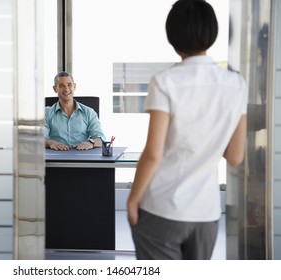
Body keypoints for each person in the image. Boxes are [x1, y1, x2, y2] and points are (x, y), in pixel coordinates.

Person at [127, 0, 247, 260]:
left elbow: (154, 153)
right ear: (211, 34)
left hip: (162, 209)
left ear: (172, 36)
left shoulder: (165, 81)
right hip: (206, 215)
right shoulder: (236, 84)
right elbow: (236, 156)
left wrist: (133, 199)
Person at [45, 71, 105, 150]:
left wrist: (91, 142)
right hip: (56, 157)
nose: (66, 89)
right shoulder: (46, 113)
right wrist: (51, 143)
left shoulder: (89, 112)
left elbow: (100, 139)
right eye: (61, 86)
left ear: (74, 86)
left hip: (82, 156)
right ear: (55, 89)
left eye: (69, 85)